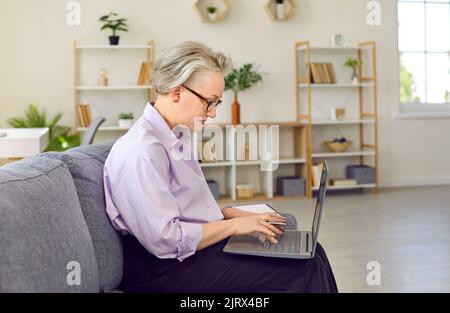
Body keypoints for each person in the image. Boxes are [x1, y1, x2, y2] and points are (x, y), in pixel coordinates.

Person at [103, 41, 338, 293]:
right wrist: (235, 226)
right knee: (302, 270)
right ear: (176, 91)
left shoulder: (175, 136)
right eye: (209, 102)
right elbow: (166, 241)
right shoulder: (142, 152)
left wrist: (227, 214)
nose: (212, 113)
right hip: (160, 268)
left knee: (312, 252)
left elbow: (185, 208)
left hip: (187, 253)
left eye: (217, 103)